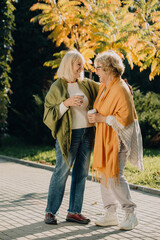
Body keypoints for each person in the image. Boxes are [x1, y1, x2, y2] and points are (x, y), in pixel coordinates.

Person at [88, 50, 144, 230]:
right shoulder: (105, 86)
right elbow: (103, 108)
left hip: (118, 140)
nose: (96, 71)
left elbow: (124, 120)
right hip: (105, 138)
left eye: (98, 68)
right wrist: (95, 114)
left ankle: (130, 214)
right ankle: (110, 214)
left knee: (115, 177)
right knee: (105, 176)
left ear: (109, 69)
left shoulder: (120, 88)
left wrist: (101, 119)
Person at [43, 50, 99, 225]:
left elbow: (106, 89)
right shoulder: (57, 87)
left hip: (87, 133)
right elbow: (48, 114)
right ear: (69, 65)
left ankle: (74, 212)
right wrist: (66, 104)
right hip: (70, 135)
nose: (82, 68)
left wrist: (124, 86)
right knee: (62, 171)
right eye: (79, 65)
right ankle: (50, 212)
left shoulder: (87, 84)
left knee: (81, 173)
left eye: (82, 64)